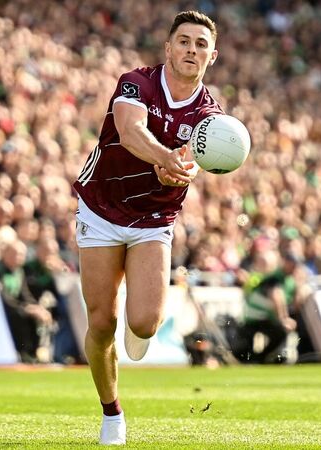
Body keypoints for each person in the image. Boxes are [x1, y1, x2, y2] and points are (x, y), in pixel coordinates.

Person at [71, 10, 223, 445]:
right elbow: (129, 128)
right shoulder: (136, 82)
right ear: (168, 47)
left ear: (212, 56)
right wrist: (164, 157)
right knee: (102, 323)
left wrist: (179, 171)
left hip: (154, 219)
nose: (191, 49)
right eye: (184, 41)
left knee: (144, 324)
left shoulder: (211, 115)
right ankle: (112, 413)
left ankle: (137, 329)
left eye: (201, 44)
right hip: (101, 207)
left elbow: (194, 163)